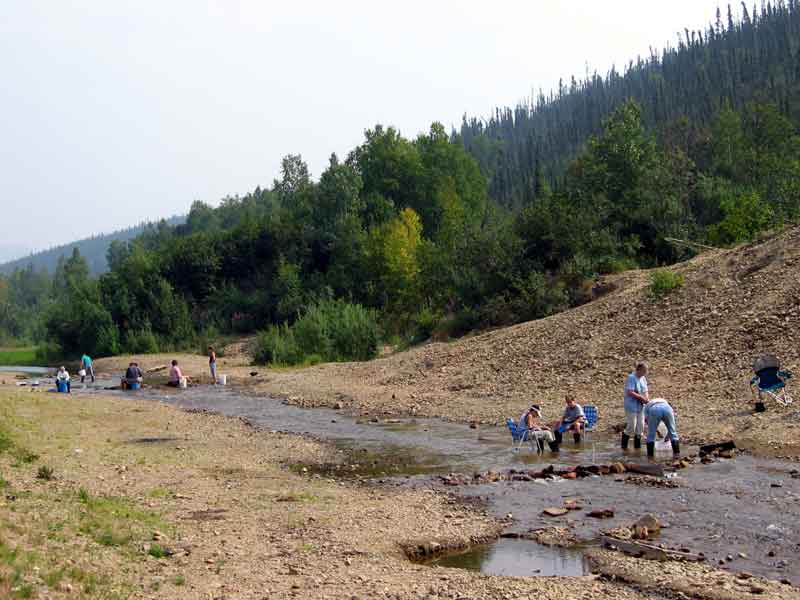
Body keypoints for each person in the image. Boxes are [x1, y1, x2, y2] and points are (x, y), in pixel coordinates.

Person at [622, 362, 650, 450]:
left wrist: (646, 398)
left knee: (640, 427)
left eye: (646, 371)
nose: (645, 373)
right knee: (631, 426)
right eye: (644, 371)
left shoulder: (643, 378)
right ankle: (624, 447)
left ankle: (637, 449)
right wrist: (641, 397)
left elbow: (645, 390)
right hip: (631, 405)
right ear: (639, 370)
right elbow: (630, 392)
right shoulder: (631, 377)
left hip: (641, 405)